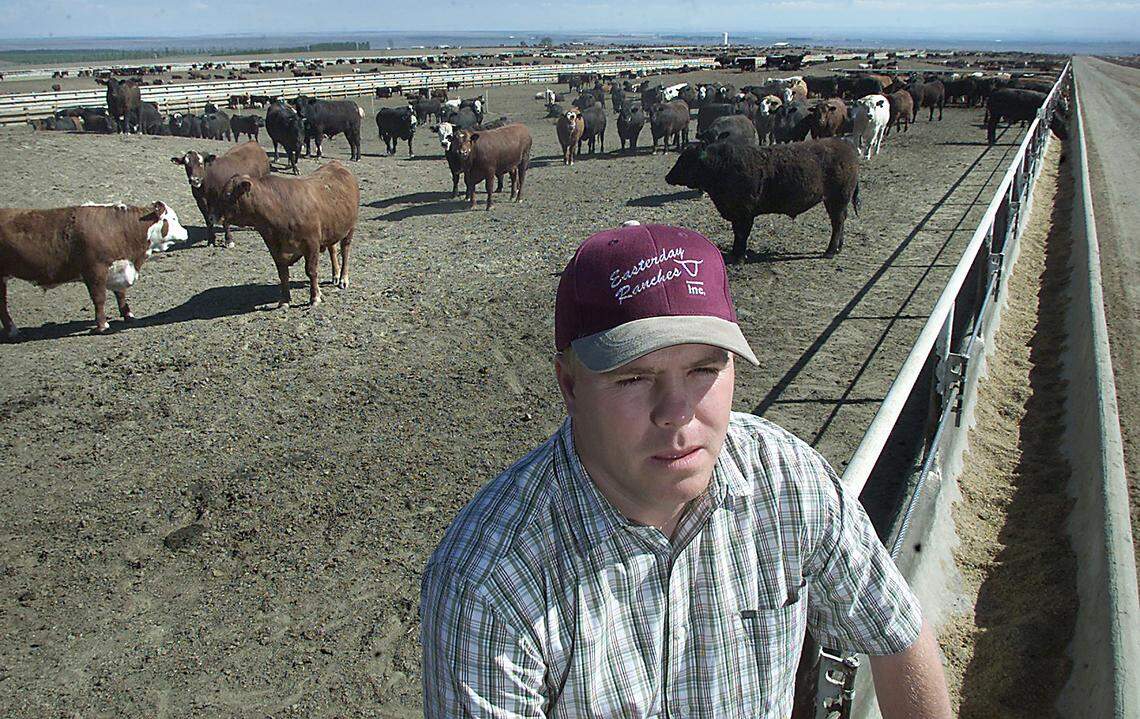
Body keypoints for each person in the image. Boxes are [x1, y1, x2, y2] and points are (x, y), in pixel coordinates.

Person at [420, 223, 952, 718]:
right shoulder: (493, 583)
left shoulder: (789, 481)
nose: (676, 410)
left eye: (704, 368)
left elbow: (898, 635)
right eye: (633, 377)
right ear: (570, 385)